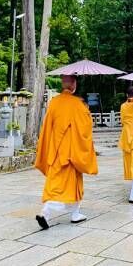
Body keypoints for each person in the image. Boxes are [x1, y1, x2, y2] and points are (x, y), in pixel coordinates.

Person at [34, 75, 98, 230]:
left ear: (63, 85)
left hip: (56, 151)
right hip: (73, 151)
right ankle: (45, 213)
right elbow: (86, 127)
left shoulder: (54, 102)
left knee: (65, 183)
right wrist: (87, 112)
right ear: (74, 85)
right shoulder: (78, 104)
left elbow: (47, 127)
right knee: (62, 186)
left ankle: (75, 214)